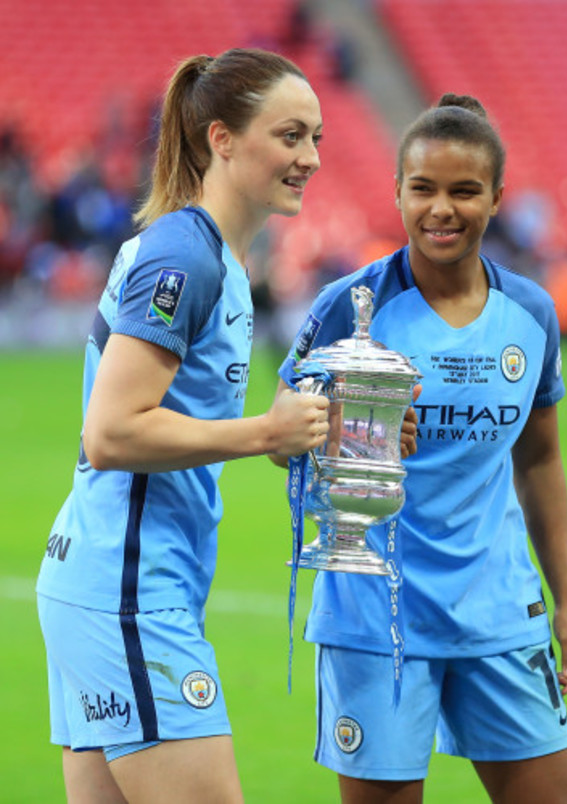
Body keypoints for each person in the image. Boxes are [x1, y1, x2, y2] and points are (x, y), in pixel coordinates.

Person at [274, 94, 567, 803]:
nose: (440, 209)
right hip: (373, 619)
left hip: (501, 611)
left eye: (463, 191)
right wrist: (348, 427)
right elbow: (277, 428)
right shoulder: (347, 305)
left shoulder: (531, 314)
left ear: (497, 197)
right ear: (396, 191)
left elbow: (539, 460)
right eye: (422, 188)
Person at [36, 48, 329, 804]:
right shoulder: (185, 256)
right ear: (222, 139)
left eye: (317, 138)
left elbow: (169, 425)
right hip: (127, 589)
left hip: (107, 579)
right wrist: (265, 431)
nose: (310, 157)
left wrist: (281, 434)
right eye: (290, 135)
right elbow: (113, 433)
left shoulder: (219, 259)